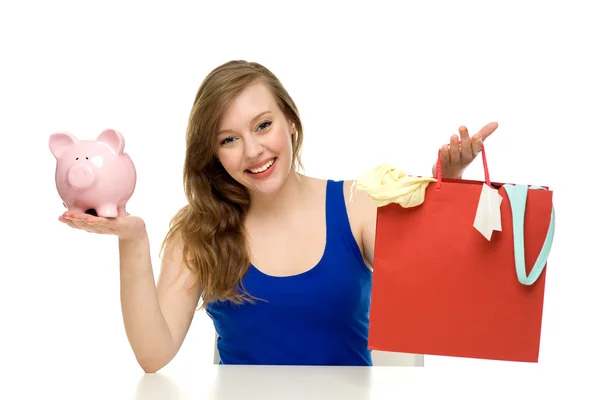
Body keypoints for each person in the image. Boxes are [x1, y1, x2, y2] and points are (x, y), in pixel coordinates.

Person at [58, 60, 498, 372]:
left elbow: (438, 287)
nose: (252, 151)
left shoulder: (356, 204)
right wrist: (131, 239)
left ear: (290, 121)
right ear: (213, 154)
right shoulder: (198, 232)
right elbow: (153, 355)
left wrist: (449, 192)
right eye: (228, 139)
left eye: (263, 125)